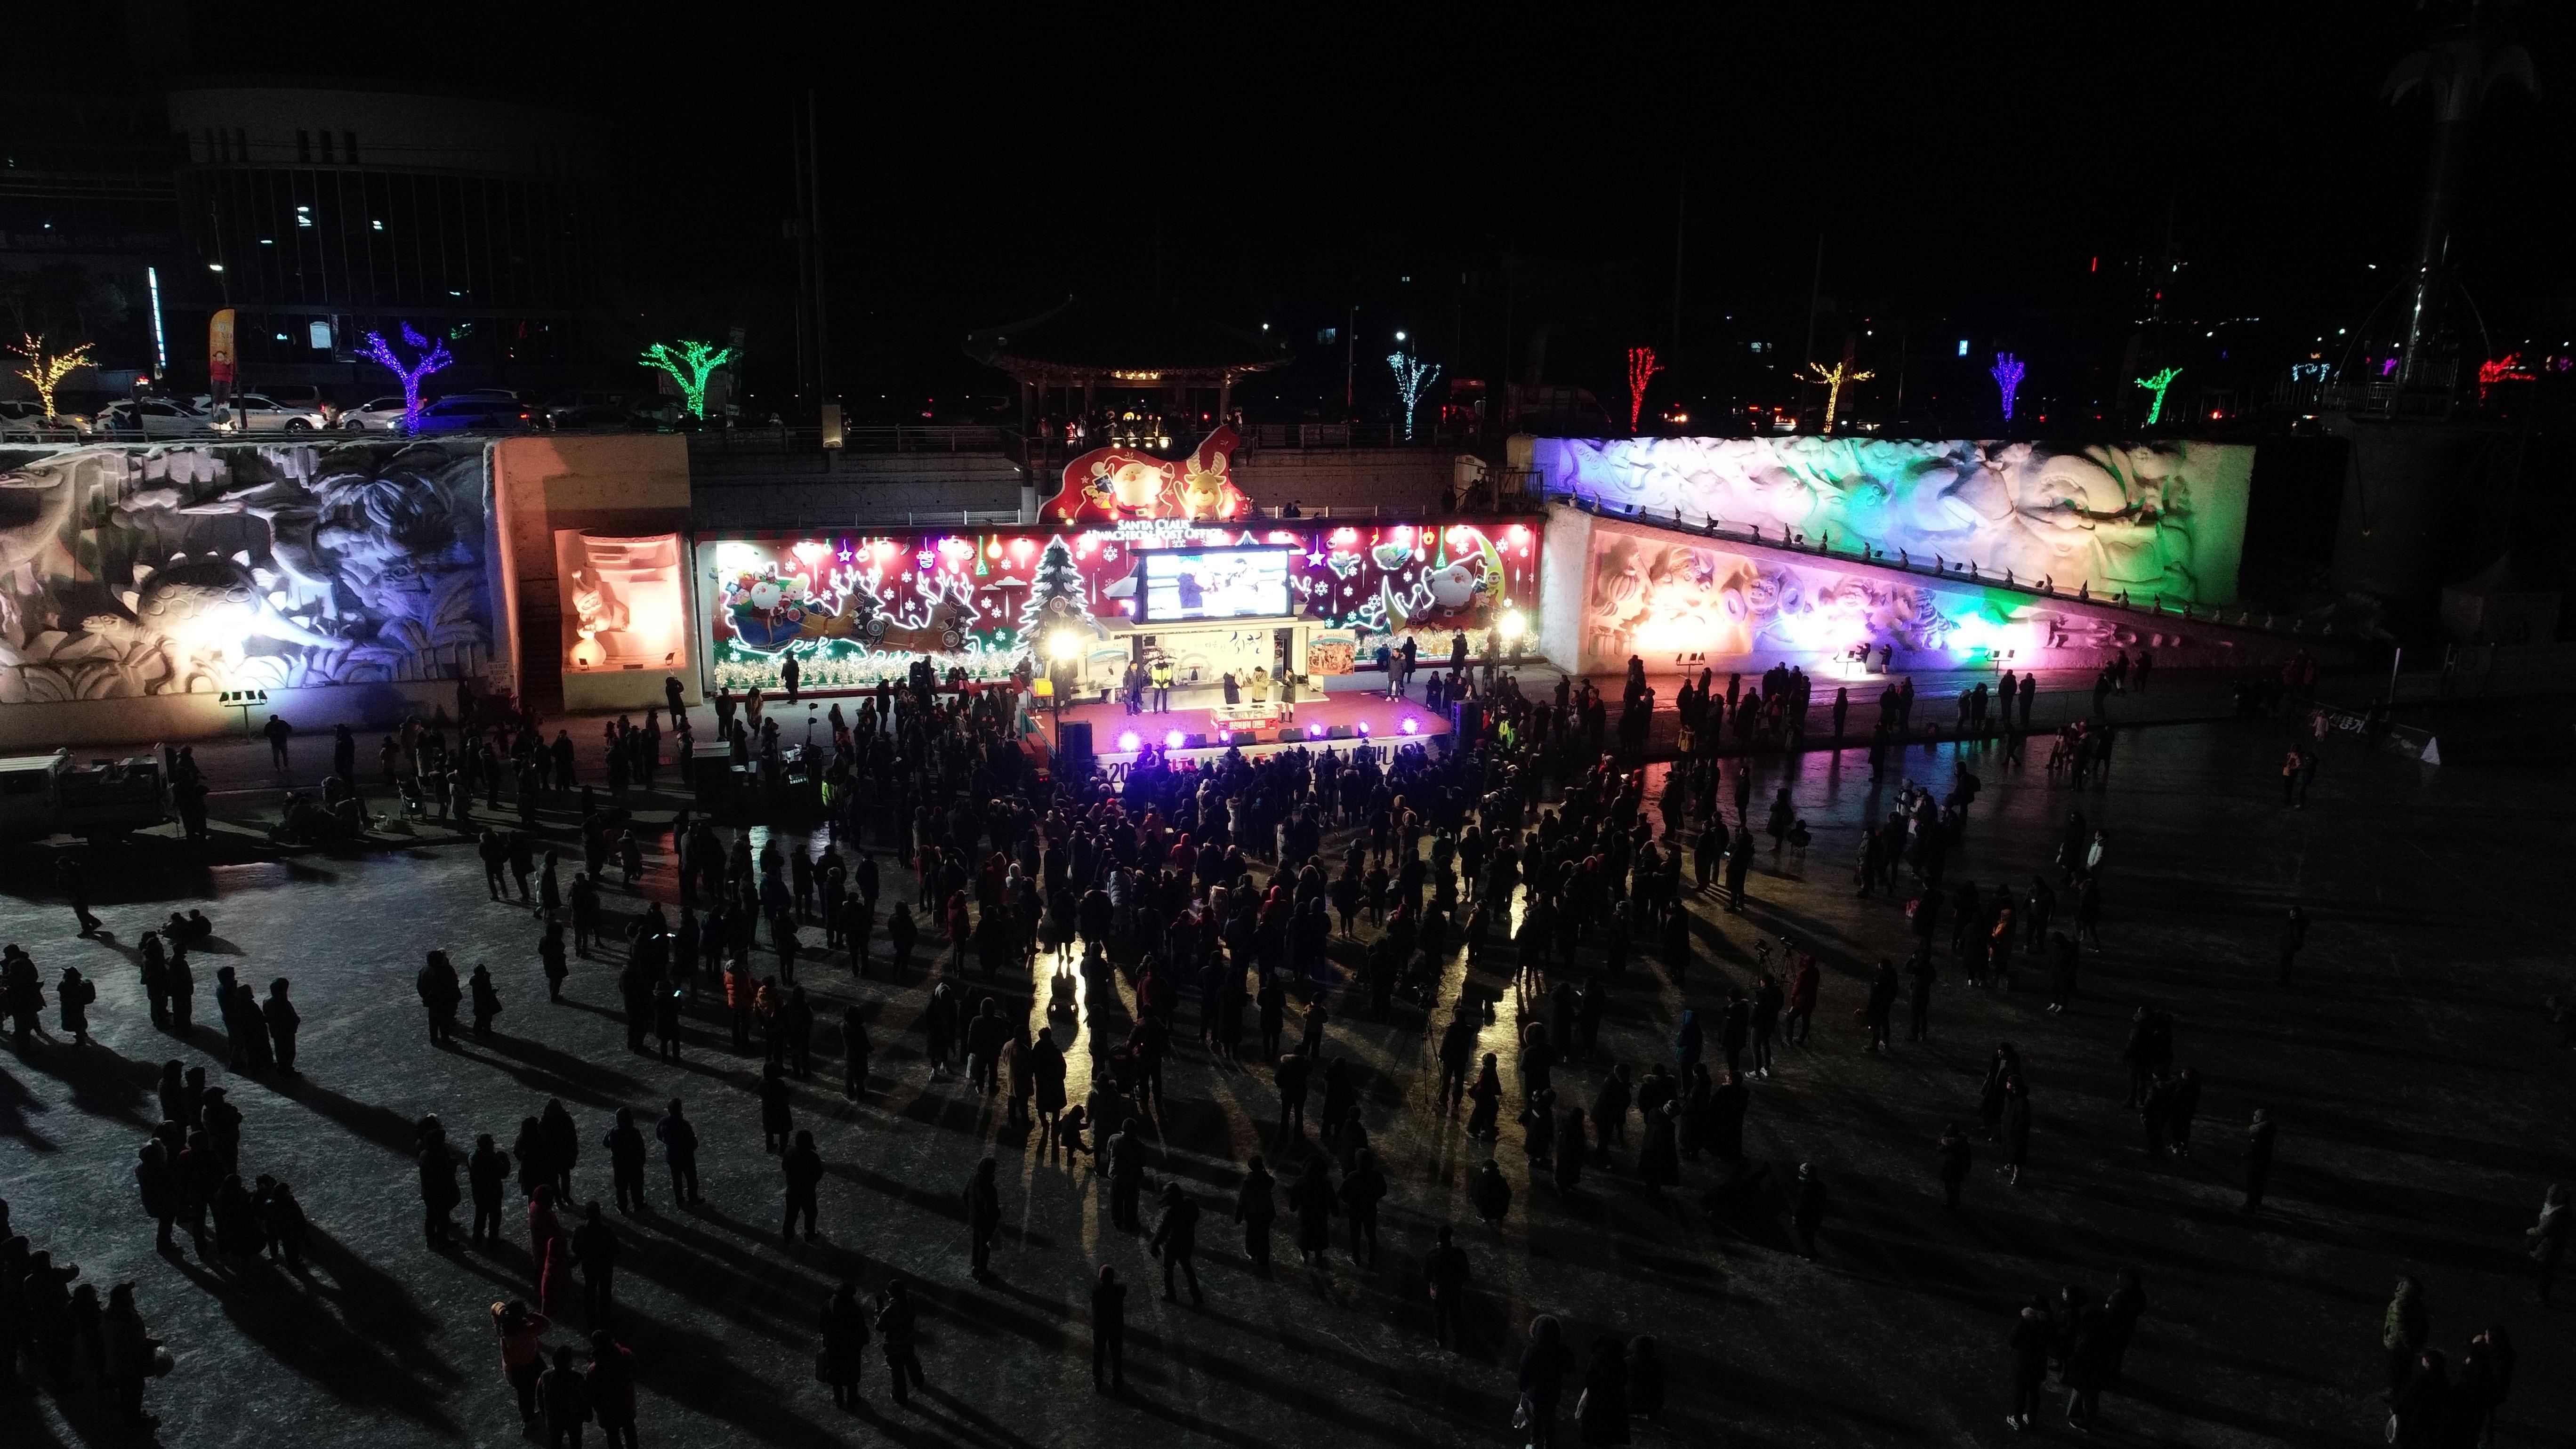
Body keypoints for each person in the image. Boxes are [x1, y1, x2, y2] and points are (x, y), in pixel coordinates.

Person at [491, 1300, 553, 1429]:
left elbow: (496, 1306)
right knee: (542, 1388)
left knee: (525, 1395)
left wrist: (501, 1317)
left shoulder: (505, 1330)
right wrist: (529, 1315)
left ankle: (528, 1418)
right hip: (532, 1364)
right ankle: (544, 1414)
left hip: (516, 1369)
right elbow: (546, 1324)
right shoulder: (527, 1330)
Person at [1519, 1313, 1574, 1449]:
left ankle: (1535, 1444)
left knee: (1535, 1421)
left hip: (1535, 1394)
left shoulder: (1531, 1350)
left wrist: (1523, 1387)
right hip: (1553, 1393)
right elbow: (1571, 1367)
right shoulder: (1562, 1351)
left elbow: (1523, 1372)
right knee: (1550, 1421)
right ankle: (1549, 1445)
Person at [820, 1280, 870, 1409]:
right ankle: (852, 1401)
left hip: (833, 1347)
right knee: (852, 1376)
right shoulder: (853, 1309)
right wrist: (863, 1340)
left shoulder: (827, 1306)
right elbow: (861, 1328)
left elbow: (821, 1325)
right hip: (851, 1349)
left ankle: (839, 1400)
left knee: (835, 1374)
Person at [1150, 1181, 1202, 1302]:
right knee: (1187, 1268)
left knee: (1168, 1268)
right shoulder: (1189, 1204)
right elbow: (1196, 1217)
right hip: (1188, 1243)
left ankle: (1171, 1294)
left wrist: (1155, 1243)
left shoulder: (1172, 1212)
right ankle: (1196, 1294)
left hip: (1173, 1245)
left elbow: (1163, 1231)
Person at [585, 1332, 637, 1449]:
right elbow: (635, 1372)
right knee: (630, 1430)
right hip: (626, 1404)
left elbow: (591, 1393)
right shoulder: (626, 1355)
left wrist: (597, 1407)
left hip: (607, 1411)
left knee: (612, 1436)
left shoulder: (594, 1370)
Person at [876, 1278, 924, 1405]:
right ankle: (919, 1381)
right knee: (911, 1361)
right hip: (908, 1340)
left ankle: (900, 1395)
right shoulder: (909, 1302)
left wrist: (879, 1312)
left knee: (897, 1372)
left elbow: (879, 1327)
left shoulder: (888, 1312)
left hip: (894, 1345)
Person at [2006, 1295, 2051, 1431]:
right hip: (2038, 1363)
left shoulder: (2024, 1321)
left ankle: (2017, 1420)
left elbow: (2012, 1340)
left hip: (2022, 1362)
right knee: (2034, 1393)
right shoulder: (2048, 1323)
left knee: (2020, 1393)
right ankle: (2031, 1420)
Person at [571, 1201, 619, 1321]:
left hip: (589, 1266)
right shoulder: (607, 1230)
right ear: (599, 1213)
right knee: (605, 1290)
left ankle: (590, 1313)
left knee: (590, 1288)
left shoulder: (580, 1231)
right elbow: (616, 1248)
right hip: (605, 1267)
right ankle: (605, 1314)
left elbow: (575, 1248)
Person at [539, 1342, 591, 1449]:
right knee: (576, 1444)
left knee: (555, 1443)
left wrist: (545, 1415)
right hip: (573, 1418)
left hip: (554, 1418)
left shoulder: (546, 1376)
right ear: (569, 1362)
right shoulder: (576, 1377)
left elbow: (539, 1396)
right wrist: (588, 1414)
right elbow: (584, 1398)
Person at [2383, 1276, 2429, 1399]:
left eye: (2402, 1284)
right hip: (2405, 1344)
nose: (2398, 1286)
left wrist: (2410, 1345)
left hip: (2397, 1344)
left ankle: (2395, 1393)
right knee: (2403, 1369)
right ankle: (2402, 1391)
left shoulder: (2400, 1304)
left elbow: (2403, 1329)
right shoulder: (2414, 1303)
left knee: (2395, 1369)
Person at [1426, 1224, 1470, 1349]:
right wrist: (1459, 1283)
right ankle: (1458, 1339)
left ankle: (1441, 1339)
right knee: (1456, 1314)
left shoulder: (1432, 1255)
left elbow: (1426, 1273)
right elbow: (1465, 1271)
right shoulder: (1459, 1253)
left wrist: (1432, 1285)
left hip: (1440, 1291)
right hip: (1455, 1290)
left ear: (1438, 1238)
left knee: (1440, 1315)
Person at [1235, 1155, 1277, 1275]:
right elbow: (1272, 1182)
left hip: (1253, 1213)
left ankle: (1252, 1253)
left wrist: (1239, 1216)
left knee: (1251, 1233)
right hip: (1266, 1212)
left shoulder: (1248, 1182)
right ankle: (1263, 1261)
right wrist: (1264, 1172)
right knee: (1264, 1236)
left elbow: (1242, 1200)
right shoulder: (1267, 1180)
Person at [2527, 1183, 2568, 1303]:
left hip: (2549, 1248)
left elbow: (2543, 1229)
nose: (2549, 1196)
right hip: (2551, 1247)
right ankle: (2541, 1295)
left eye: (2551, 1194)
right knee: (2545, 1272)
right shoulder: (2559, 1210)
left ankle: (2541, 1297)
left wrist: (2529, 1232)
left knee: (2545, 1273)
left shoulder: (2556, 1213)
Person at [781, 1128, 823, 1243]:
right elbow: (818, 1174)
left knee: (791, 1214)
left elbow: (784, 1167)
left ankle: (788, 1234)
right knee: (811, 1213)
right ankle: (809, 1234)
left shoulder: (789, 1152)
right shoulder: (813, 1157)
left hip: (793, 1190)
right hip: (807, 1192)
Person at [1090, 1264, 1127, 1393]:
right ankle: (1117, 1380)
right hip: (1115, 1327)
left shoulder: (1097, 1292)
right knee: (1116, 1354)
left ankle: (1098, 1380)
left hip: (1101, 1328)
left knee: (1098, 1354)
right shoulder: (1120, 1291)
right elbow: (1123, 1287)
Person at [658, 1097, 700, 1206]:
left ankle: (679, 1200)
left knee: (676, 1179)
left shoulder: (664, 1122)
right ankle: (693, 1198)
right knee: (691, 1178)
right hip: (686, 1156)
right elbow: (693, 1142)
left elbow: (659, 1136)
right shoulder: (684, 1124)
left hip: (672, 1155)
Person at [1791, 1161, 1827, 1259]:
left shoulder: (1805, 1189)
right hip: (1816, 1216)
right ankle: (1812, 1252)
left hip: (1806, 1218)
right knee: (1810, 1235)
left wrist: (1795, 1216)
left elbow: (1801, 1205)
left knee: (1804, 1236)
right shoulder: (1821, 1186)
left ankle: (1808, 1254)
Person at [1937, 1123, 1972, 1209]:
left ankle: (1951, 1201)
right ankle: (1956, 1201)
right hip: (1960, 1167)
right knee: (1957, 1184)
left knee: (1948, 1184)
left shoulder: (1949, 1142)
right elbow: (1968, 1156)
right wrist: (1967, 1167)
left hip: (1950, 1167)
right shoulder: (1964, 1143)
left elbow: (1940, 1149)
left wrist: (1942, 1141)